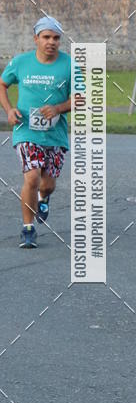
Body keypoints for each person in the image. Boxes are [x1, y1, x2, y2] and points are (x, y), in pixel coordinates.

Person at [0, 16, 74, 247]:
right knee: (32, 176)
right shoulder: (20, 63)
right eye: (46, 37)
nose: (51, 42)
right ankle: (28, 228)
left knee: (47, 184)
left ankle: (44, 198)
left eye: (56, 38)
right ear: (36, 39)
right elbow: (2, 84)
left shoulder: (70, 64)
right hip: (26, 130)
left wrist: (59, 108)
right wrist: (9, 110)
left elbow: (81, 98)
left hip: (55, 134)